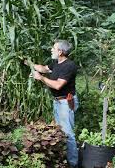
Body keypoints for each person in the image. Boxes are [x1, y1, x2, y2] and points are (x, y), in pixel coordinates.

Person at [28, 39, 79, 168]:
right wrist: (28, 62)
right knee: (60, 132)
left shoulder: (69, 66)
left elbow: (57, 85)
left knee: (68, 134)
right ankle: (63, 160)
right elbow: (44, 68)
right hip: (58, 102)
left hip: (65, 102)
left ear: (61, 52)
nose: (51, 50)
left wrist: (41, 78)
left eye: (54, 48)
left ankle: (73, 164)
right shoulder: (56, 63)